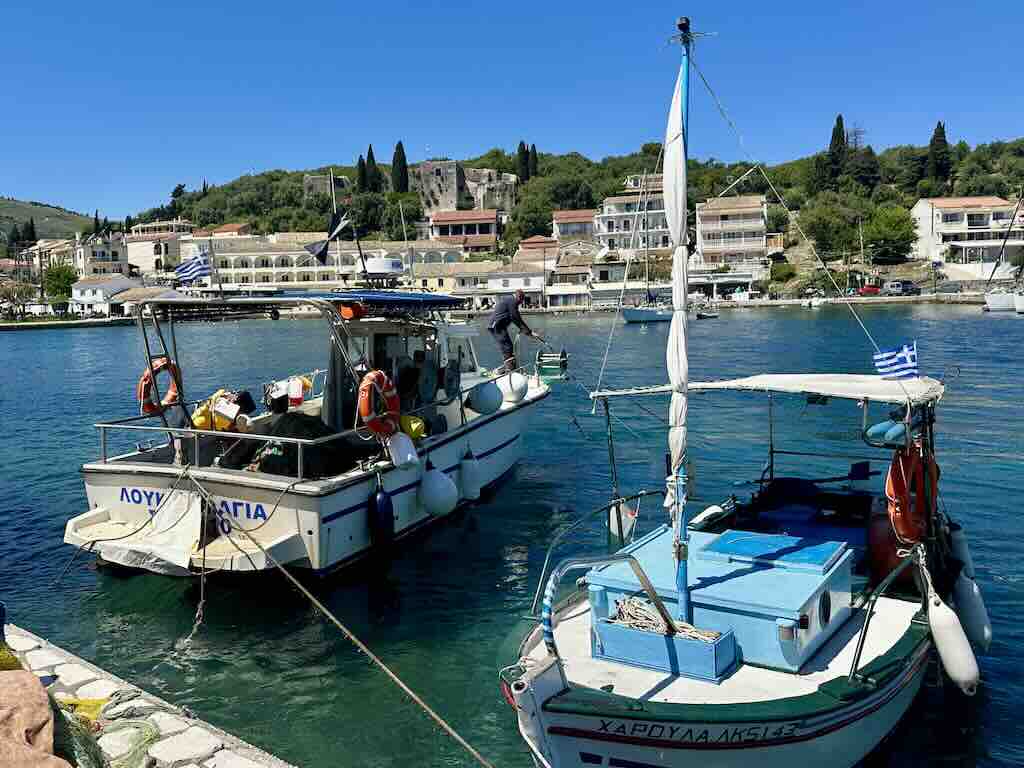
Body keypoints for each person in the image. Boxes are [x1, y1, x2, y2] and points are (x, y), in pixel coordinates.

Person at [488, 289, 541, 371]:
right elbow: (516, 318)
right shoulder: (512, 301)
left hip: (498, 326)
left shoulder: (510, 300)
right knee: (507, 346)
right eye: (521, 301)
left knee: (507, 346)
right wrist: (529, 332)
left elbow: (514, 318)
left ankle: (509, 367)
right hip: (496, 326)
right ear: (519, 297)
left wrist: (525, 331)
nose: (521, 303)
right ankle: (510, 369)